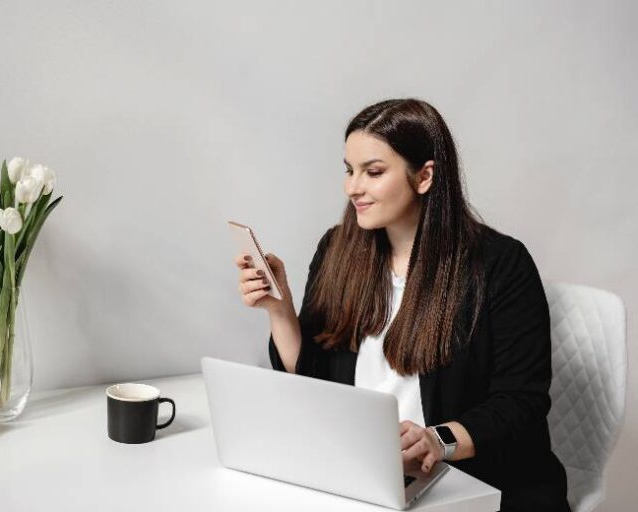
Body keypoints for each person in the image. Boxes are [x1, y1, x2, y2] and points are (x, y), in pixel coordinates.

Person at [234, 98, 570, 511]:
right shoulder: (338, 249)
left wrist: (437, 441)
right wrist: (279, 310)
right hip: (363, 471)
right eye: (349, 170)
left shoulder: (499, 264)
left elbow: (521, 403)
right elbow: (314, 379)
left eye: (373, 172)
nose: (353, 187)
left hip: (470, 479)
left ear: (424, 176)